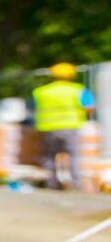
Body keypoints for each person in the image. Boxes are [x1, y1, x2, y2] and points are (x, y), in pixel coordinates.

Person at [32, 62, 92, 191]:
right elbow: (89, 107)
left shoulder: (42, 91)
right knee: (73, 156)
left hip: (47, 127)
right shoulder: (78, 90)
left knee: (49, 157)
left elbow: (33, 108)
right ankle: (76, 184)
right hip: (71, 126)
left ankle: (51, 184)